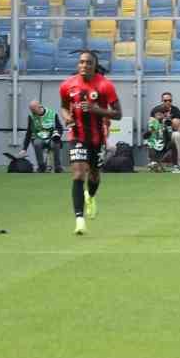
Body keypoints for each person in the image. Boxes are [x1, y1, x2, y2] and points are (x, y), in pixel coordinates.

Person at [59, 50, 121, 236]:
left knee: (94, 175)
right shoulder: (67, 85)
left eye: (88, 62)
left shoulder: (105, 85)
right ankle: (79, 220)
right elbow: (63, 106)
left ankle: (91, 197)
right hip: (76, 135)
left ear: (95, 65)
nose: (84, 65)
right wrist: (67, 117)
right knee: (78, 173)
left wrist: (96, 109)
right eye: (81, 62)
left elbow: (118, 113)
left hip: (97, 137)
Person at [23, 99, 63, 173]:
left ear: (40, 107)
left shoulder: (52, 114)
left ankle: (58, 167)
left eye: (34, 110)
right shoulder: (31, 117)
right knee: (37, 143)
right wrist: (24, 149)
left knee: (55, 144)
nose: (33, 112)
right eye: (31, 110)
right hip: (39, 138)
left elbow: (60, 127)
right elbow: (29, 132)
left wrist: (57, 134)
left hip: (51, 138)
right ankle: (41, 167)